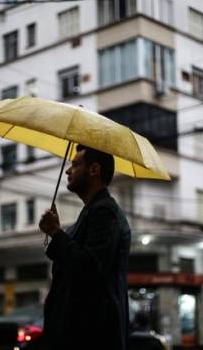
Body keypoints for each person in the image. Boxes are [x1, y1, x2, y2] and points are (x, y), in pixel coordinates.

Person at [39, 144, 131, 350]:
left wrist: (55, 232)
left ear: (94, 170)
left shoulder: (104, 212)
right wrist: (55, 232)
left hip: (93, 335)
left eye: (76, 164)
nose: (68, 170)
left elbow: (90, 268)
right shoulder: (91, 211)